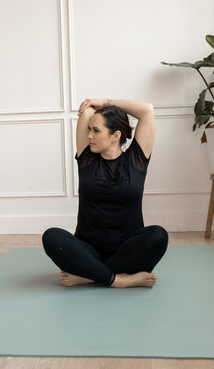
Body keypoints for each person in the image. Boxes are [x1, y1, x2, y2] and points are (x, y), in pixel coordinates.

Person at [42, 98, 168, 288]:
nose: (89, 135)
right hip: (88, 249)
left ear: (115, 135)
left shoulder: (136, 160)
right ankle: (118, 279)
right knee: (51, 237)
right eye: (89, 130)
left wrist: (106, 101)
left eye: (96, 131)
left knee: (158, 235)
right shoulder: (87, 159)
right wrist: (95, 107)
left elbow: (147, 111)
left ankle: (90, 274)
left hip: (128, 251)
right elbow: (86, 112)